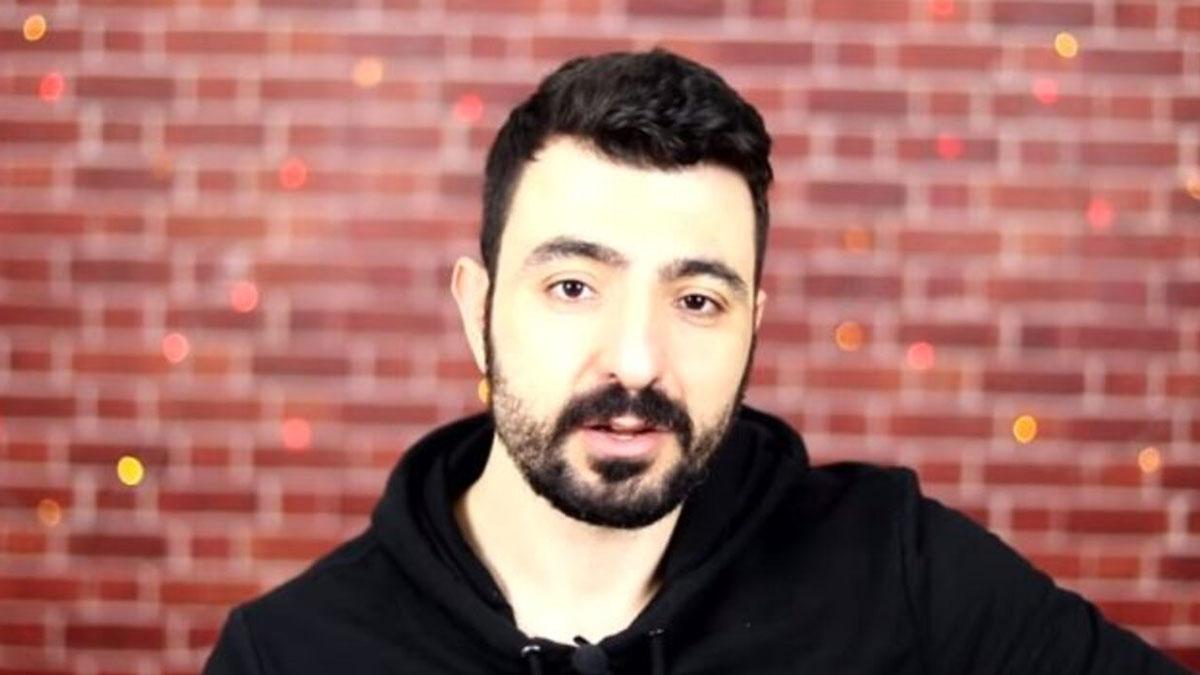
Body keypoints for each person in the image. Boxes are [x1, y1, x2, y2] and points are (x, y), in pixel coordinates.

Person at [204, 49, 1185, 674]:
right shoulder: (288, 653)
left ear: (754, 325)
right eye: (574, 286)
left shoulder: (904, 575)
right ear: (477, 310)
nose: (637, 360)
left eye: (697, 300)